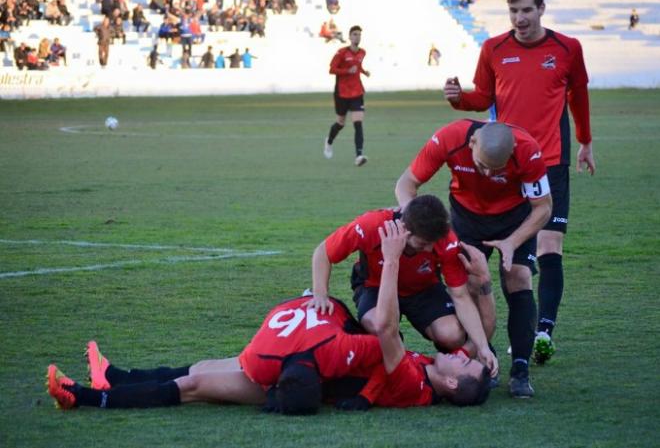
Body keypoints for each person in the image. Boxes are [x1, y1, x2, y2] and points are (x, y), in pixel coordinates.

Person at [47, 228, 492, 412]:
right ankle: (115, 377)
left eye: (464, 363)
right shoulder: (433, 367)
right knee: (203, 368)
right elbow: (480, 338)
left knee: (193, 386)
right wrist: (485, 287)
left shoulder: (411, 386)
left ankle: (85, 398)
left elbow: (388, 327)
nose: (460, 355)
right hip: (308, 362)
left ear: (451, 384)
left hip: (296, 375)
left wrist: (391, 261)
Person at [442, 0, 594, 366]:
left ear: (541, 8)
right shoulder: (493, 48)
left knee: (550, 244)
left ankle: (543, 331)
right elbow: (483, 97)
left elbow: (579, 96)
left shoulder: (567, 48)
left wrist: (585, 141)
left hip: (551, 163)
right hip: (510, 166)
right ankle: (509, 332)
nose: (519, 18)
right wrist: (459, 98)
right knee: (512, 263)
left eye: (526, 10)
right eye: (513, 11)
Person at [395, 120, 552, 398]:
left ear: (513, 149)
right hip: (466, 217)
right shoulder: (450, 137)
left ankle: (520, 369)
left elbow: (543, 208)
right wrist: (414, 218)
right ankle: (484, 358)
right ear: (472, 145)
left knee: (518, 277)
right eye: (482, 165)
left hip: (514, 219)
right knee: (468, 283)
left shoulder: (528, 150)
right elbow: (406, 183)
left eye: (497, 168)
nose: (489, 173)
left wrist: (511, 243)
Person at [308, 194, 498, 374]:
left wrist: (482, 346)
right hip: (375, 286)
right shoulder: (372, 226)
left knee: (452, 335)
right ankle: (396, 363)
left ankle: (452, 366)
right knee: (378, 325)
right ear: (405, 229)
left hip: (423, 288)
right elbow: (323, 252)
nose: (430, 249)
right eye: (423, 244)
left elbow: (461, 296)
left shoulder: (446, 241)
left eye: (433, 243)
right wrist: (320, 293)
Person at [323, 25, 370, 166]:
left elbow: (358, 65)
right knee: (340, 123)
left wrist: (363, 72)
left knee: (358, 123)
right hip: (342, 93)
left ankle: (359, 156)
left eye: (359, 34)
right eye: (355, 34)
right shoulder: (341, 53)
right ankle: (329, 141)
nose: (357, 37)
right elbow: (332, 69)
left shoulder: (362, 52)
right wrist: (348, 71)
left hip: (357, 92)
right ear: (349, 37)